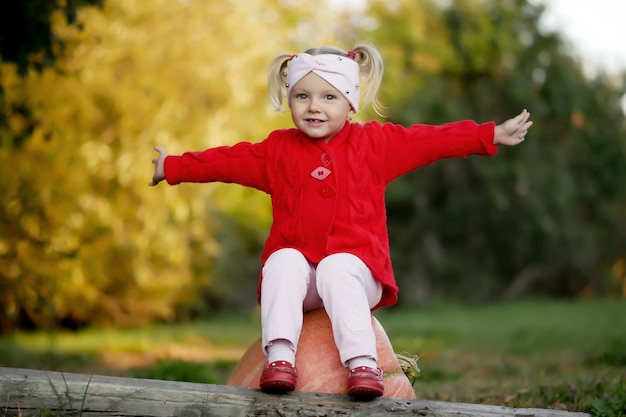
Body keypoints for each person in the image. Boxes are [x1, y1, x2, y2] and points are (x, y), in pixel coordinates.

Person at [149, 44, 532, 400]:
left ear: (350, 104)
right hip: (304, 284)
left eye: (328, 97)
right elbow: (227, 161)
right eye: (303, 96)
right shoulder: (278, 151)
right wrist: (173, 166)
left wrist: (489, 134)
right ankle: (281, 357)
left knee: (337, 266)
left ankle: (363, 364)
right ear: (290, 100)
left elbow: (430, 141)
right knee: (282, 259)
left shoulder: (375, 145)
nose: (314, 107)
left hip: (357, 273)